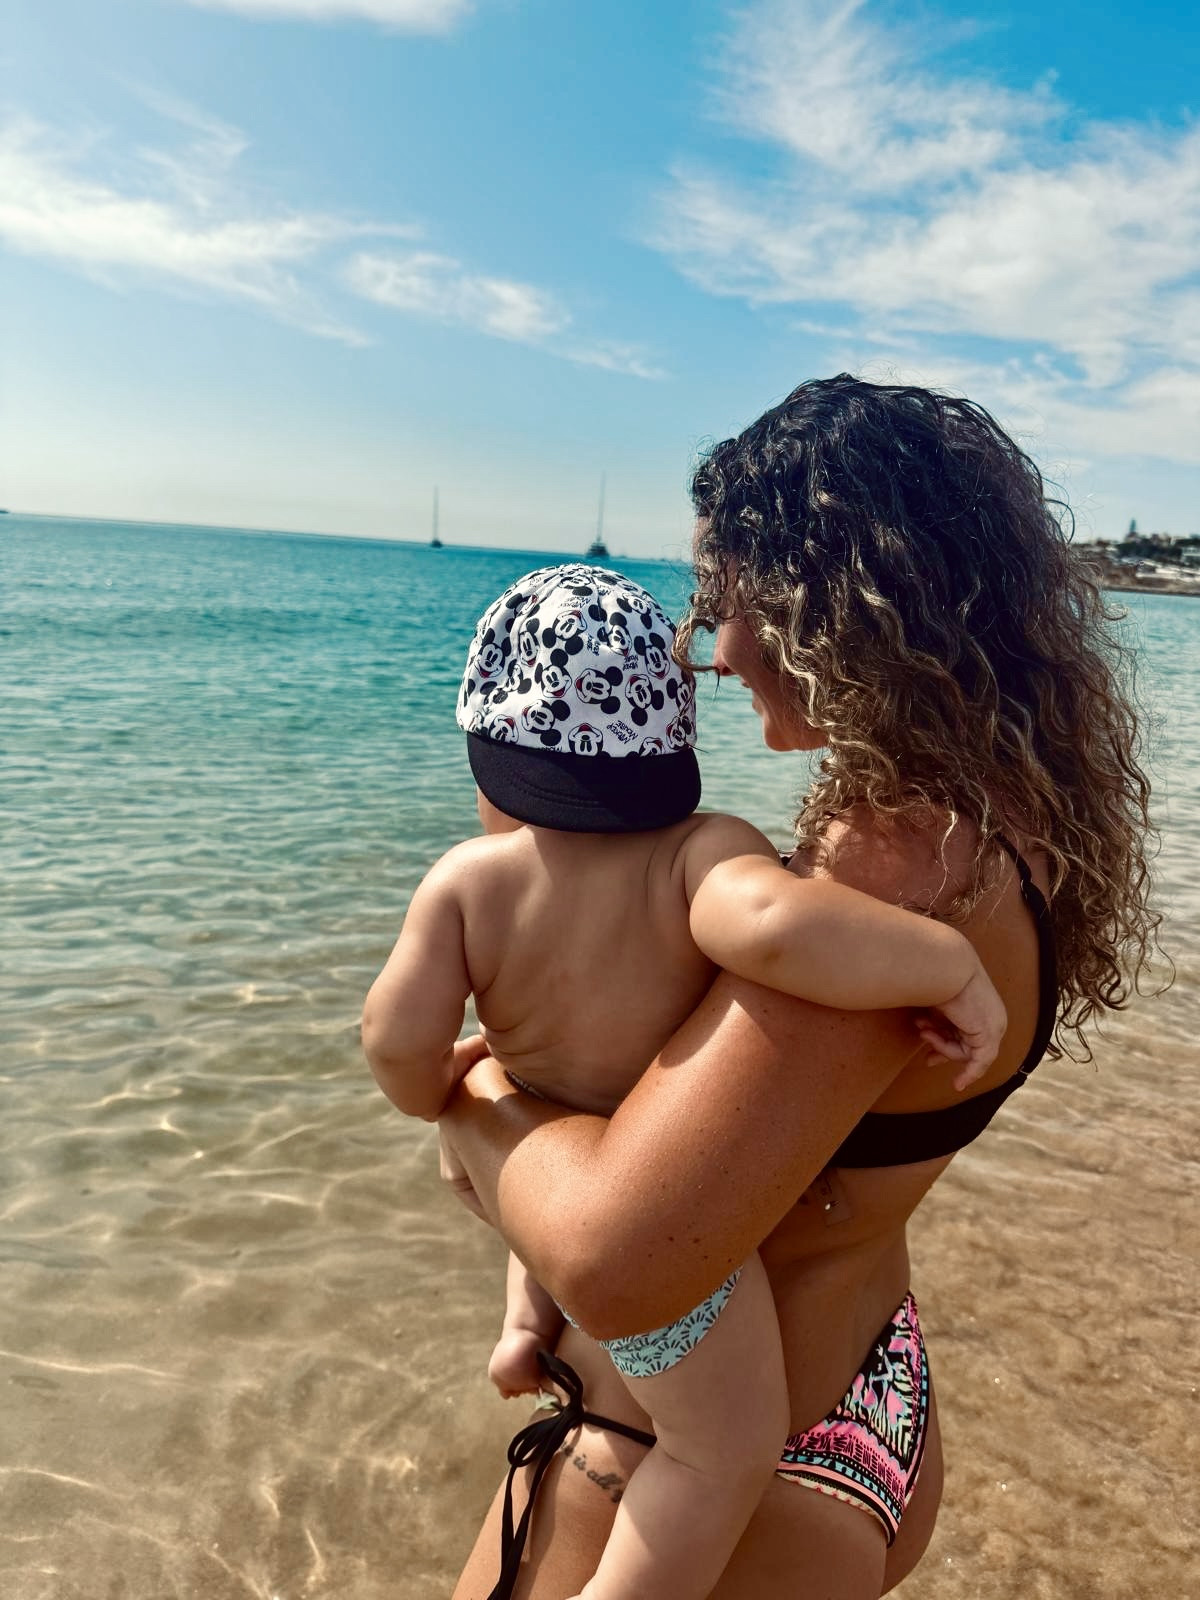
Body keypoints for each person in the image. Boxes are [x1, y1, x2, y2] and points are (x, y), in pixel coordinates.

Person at [436, 376, 1158, 1600]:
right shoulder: (1000, 821)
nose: (711, 654)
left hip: (713, 1462)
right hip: (861, 1387)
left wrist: (474, 1098)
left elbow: (618, 1258)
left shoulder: (906, 859)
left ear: (833, 603)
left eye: (724, 605)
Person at [363, 562, 1006, 1600]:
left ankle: (527, 1334)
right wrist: (948, 963)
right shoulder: (700, 853)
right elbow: (775, 928)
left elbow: (395, 1040)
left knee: (569, 1222)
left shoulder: (466, 886)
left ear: (489, 757)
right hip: (675, 1251)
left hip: (567, 1200)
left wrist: (448, 1090)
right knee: (716, 1453)